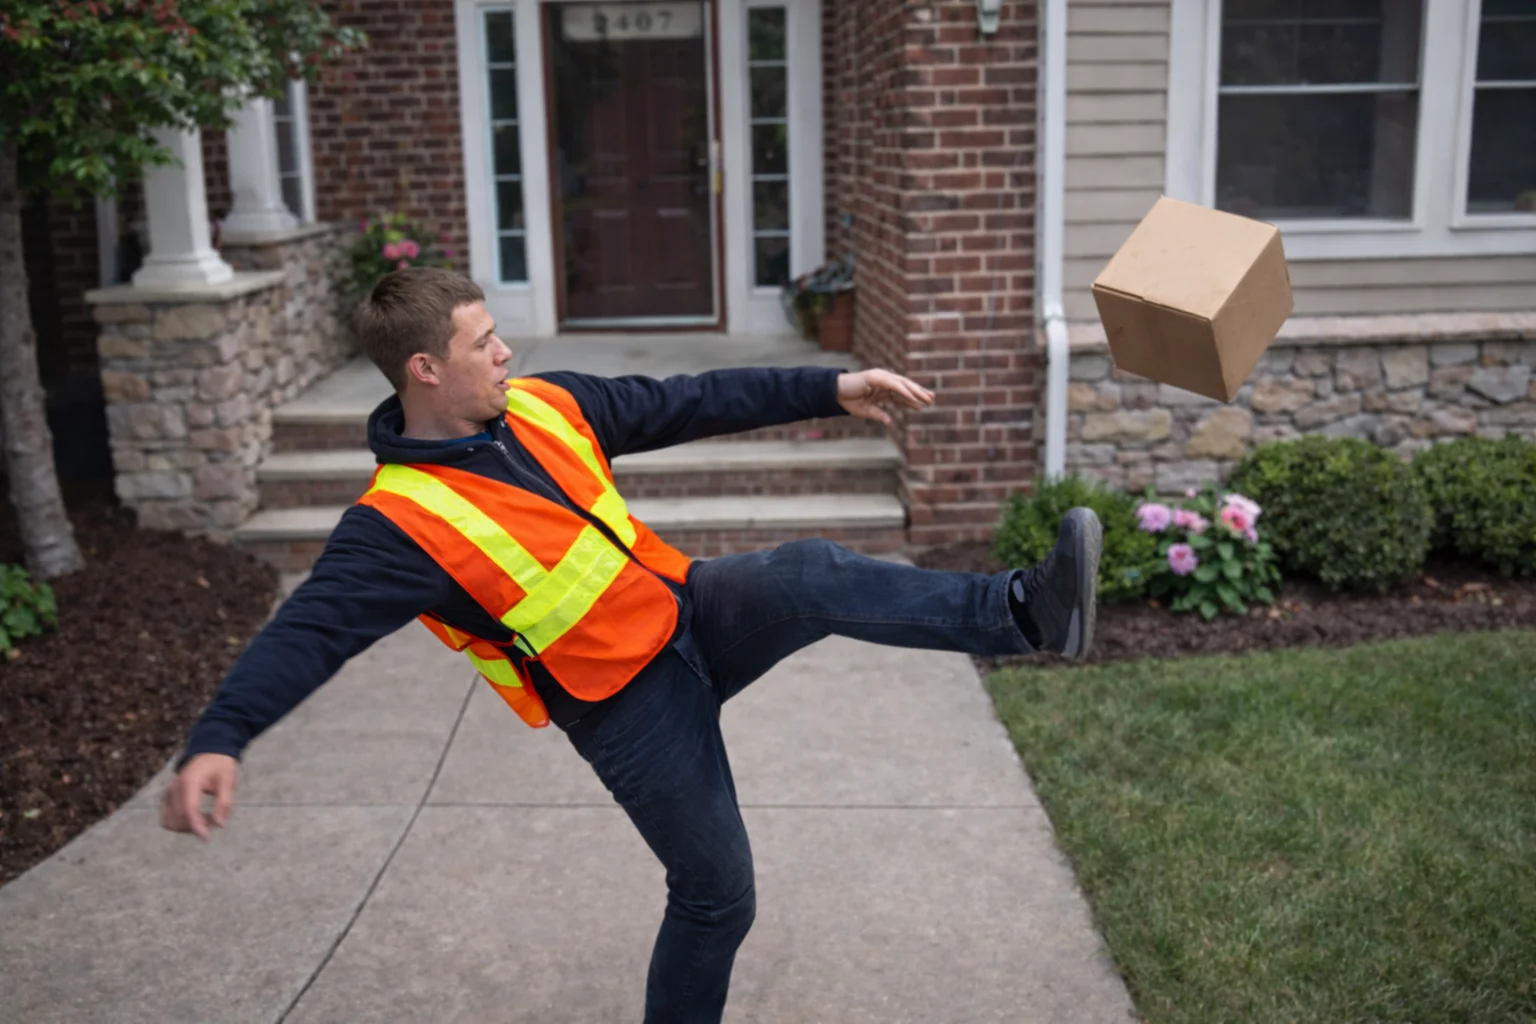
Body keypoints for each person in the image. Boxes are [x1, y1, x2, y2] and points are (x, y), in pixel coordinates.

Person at [161, 268, 1102, 1024]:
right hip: (623, 707)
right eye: (481, 343)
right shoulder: (395, 525)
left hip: (692, 612)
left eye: (496, 333)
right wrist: (221, 734)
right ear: (425, 370)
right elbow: (311, 627)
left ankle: (1027, 613)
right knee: (718, 894)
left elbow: (683, 401)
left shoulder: (541, 405)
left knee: (808, 572)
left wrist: (830, 386)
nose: (505, 351)